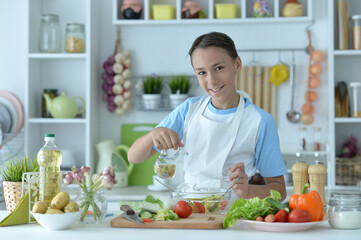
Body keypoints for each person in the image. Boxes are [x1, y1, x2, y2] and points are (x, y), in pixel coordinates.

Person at [128, 32, 287, 201]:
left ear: (237, 64)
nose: (212, 81)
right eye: (202, 73)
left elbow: (279, 190)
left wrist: (248, 191)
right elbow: (133, 156)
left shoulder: (260, 121)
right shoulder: (188, 110)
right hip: (189, 213)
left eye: (219, 68)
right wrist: (154, 134)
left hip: (234, 218)